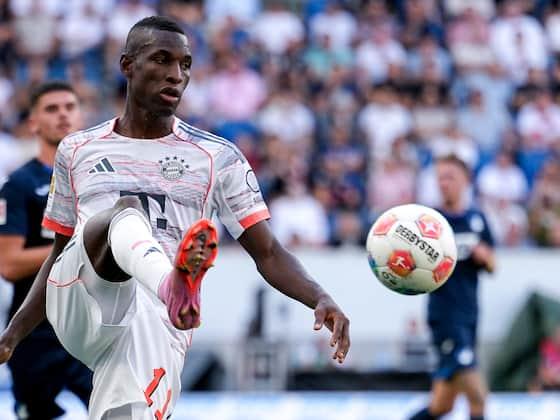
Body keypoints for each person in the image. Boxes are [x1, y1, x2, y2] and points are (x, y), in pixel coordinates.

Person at [0, 16, 350, 420]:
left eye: (185, 64)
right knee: (122, 216)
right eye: (161, 59)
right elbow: (59, 253)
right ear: (127, 65)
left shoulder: (217, 157)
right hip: (81, 300)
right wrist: (13, 333)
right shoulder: (78, 150)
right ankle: (172, 284)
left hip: (156, 324)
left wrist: (319, 296)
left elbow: (268, 252)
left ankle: (170, 291)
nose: (176, 75)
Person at [0, 82, 93, 418]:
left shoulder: (99, 181)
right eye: (52, 109)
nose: (63, 115)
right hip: (36, 331)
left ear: (81, 117)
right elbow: (9, 264)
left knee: (117, 411)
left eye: (69, 107)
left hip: (93, 326)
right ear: (33, 123)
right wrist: (77, 241)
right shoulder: (19, 185)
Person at [409, 154, 495, 420]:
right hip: (445, 316)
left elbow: (493, 265)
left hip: (470, 315)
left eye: (450, 177)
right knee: (477, 396)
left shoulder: (476, 219)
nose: (444, 183)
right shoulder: (429, 223)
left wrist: (484, 257)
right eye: (440, 178)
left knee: (442, 405)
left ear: (466, 180)